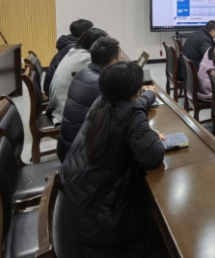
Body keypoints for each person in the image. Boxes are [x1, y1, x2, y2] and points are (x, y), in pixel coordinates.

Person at [61, 62, 164, 258]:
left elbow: (130, 108)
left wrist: (149, 96)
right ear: (135, 90)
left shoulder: (101, 102)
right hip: (103, 219)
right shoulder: (132, 114)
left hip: (76, 200)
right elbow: (152, 157)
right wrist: (153, 137)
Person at [56, 36, 121, 162]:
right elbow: (124, 112)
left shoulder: (82, 73)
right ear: (113, 63)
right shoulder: (102, 85)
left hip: (67, 148)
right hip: (79, 157)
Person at [46, 27, 108, 123]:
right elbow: (103, 82)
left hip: (57, 105)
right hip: (66, 113)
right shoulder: (87, 58)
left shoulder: (74, 51)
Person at [43, 19, 94, 96]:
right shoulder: (75, 49)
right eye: (91, 32)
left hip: (52, 89)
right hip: (57, 94)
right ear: (85, 34)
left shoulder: (68, 43)